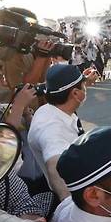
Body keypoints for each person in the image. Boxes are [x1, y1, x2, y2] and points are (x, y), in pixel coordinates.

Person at [28, 64, 97, 201]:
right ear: (76, 93)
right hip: (82, 195)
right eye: (83, 85)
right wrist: (72, 207)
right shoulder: (52, 128)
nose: (85, 87)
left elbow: (70, 91)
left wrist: (83, 82)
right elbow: (54, 166)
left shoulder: (47, 110)